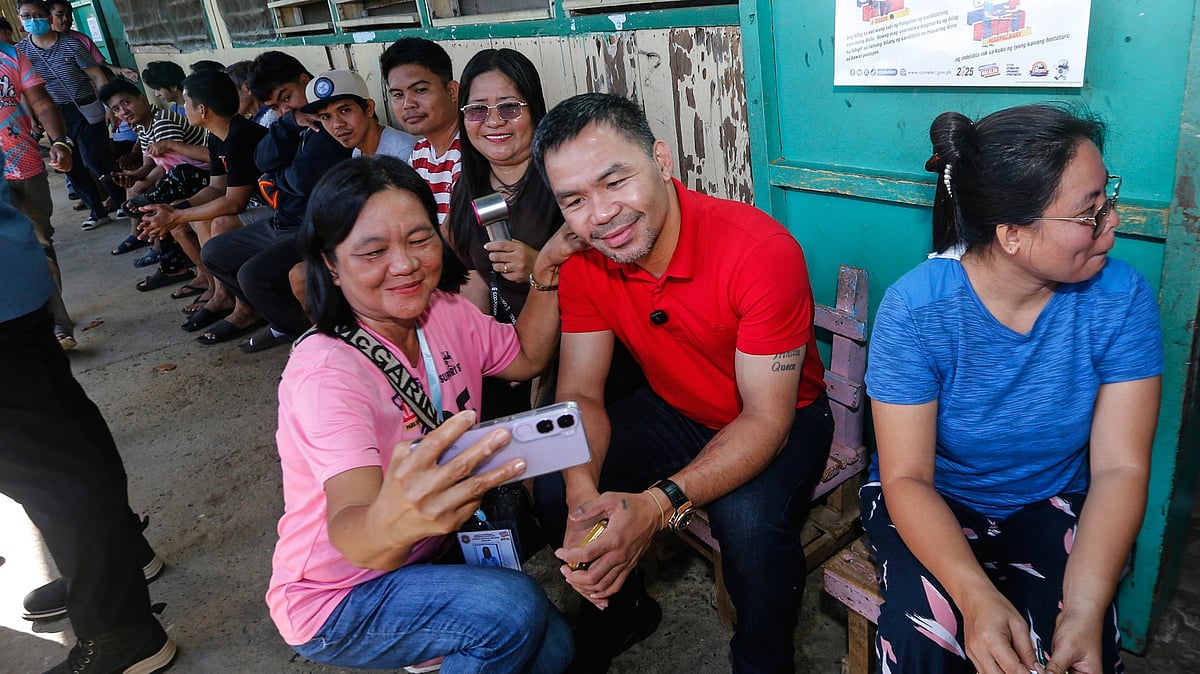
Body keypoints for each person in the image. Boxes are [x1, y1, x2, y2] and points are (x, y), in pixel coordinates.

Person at [531, 92, 833, 674]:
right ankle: (623, 612)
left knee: (746, 525)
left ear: (662, 161)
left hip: (781, 416)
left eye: (615, 181)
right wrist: (581, 495)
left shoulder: (759, 251)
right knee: (553, 482)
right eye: (574, 200)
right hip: (675, 408)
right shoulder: (588, 263)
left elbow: (765, 418)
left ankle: (762, 662)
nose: (601, 215)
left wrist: (657, 506)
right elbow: (581, 395)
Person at [861, 104, 1162, 674]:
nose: (1113, 221)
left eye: (1108, 199)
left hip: (1052, 498)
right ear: (1013, 235)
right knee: (928, 637)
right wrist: (975, 598)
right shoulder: (917, 310)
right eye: (1089, 213)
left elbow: (1121, 467)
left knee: (1070, 640)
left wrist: (1085, 606)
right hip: (932, 496)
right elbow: (907, 477)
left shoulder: (1121, 299)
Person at [268, 155, 580, 672]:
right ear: (330, 263)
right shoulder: (326, 375)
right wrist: (392, 524)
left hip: (424, 553)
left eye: (419, 239)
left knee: (555, 650)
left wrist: (545, 272)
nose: (405, 264)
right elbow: (352, 526)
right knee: (512, 609)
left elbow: (527, 356)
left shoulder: (445, 313)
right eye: (373, 251)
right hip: (341, 593)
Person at [0, 155, 175, 673]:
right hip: (11, 278)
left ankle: (118, 628)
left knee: (41, 466)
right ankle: (117, 558)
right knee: (64, 428)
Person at [197, 51, 352, 352]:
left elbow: (302, 181)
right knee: (215, 252)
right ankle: (281, 318)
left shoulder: (328, 123)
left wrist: (274, 177)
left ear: (306, 82)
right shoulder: (293, 122)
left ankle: (309, 338)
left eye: (287, 97)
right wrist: (291, 122)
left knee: (253, 276)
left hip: (311, 226)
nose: (283, 109)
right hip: (283, 218)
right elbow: (261, 158)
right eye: (275, 107)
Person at [446, 48, 560, 419]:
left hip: (572, 350)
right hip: (504, 350)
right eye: (477, 109)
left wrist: (538, 269)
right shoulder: (468, 186)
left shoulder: (563, 178)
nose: (493, 121)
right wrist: (482, 351)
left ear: (535, 111)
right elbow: (472, 279)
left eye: (509, 107)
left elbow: (613, 277)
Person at [139, 69, 271, 333]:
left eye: (186, 103)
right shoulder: (217, 136)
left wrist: (178, 216)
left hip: (276, 208)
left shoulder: (239, 137)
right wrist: (176, 210)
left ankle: (246, 308)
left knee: (220, 223)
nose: (183, 108)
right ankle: (221, 293)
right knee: (200, 219)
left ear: (202, 109)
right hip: (254, 206)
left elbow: (234, 203)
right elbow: (216, 187)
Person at [16, 0, 122, 231]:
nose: (32, 20)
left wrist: (108, 108)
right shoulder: (21, 53)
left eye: (38, 15)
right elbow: (24, 90)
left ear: (48, 17)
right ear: (20, 20)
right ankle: (97, 211)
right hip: (54, 115)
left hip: (85, 108)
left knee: (97, 158)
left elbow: (97, 76)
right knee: (69, 164)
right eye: (26, 16)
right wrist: (30, 118)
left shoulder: (71, 45)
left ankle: (121, 201)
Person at [0, 33, 77, 348]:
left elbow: (41, 101)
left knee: (39, 243)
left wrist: (60, 141)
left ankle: (57, 325)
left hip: (23, 164)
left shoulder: (11, 56)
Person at [102, 76, 209, 282]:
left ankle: (170, 263)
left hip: (199, 173)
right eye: (116, 109)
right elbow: (150, 165)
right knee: (148, 197)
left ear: (142, 98)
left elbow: (173, 164)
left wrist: (143, 186)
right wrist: (132, 177)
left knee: (159, 196)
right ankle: (170, 264)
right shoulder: (143, 126)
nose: (123, 111)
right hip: (181, 177)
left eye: (127, 102)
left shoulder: (162, 121)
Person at [381, 37, 461, 224]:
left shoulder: (472, 151)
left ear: (451, 91)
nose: (408, 104)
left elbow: (456, 237)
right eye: (398, 95)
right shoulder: (420, 152)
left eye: (420, 90)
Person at [302, 68, 416, 160]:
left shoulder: (404, 153)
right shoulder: (358, 153)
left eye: (344, 110)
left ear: (369, 108)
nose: (337, 124)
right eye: (326, 117)